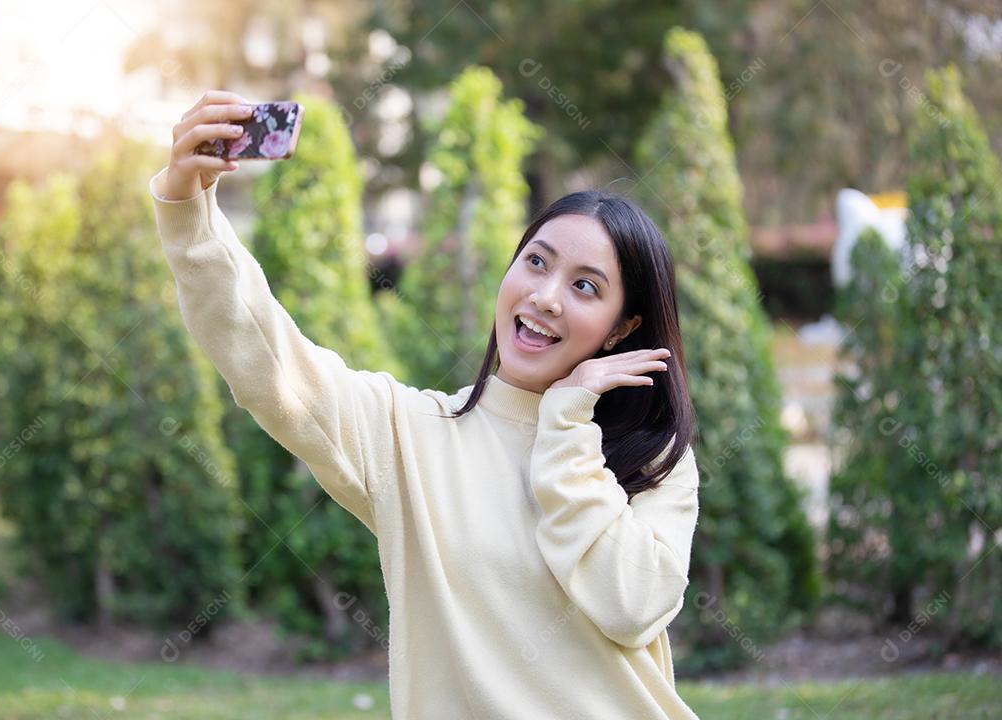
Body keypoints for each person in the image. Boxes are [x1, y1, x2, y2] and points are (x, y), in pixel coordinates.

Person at [150, 90, 701, 719]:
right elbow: (263, 353)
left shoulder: (654, 457)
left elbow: (632, 606)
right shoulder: (409, 434)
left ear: (622, 328)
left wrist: (568, 425)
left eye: (584, 286)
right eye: (535, 262)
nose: (546, 296)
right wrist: (187, 208)